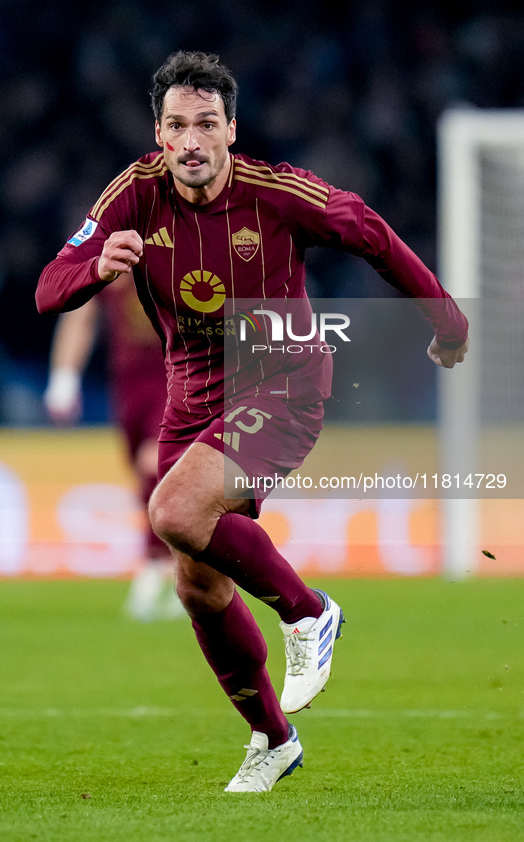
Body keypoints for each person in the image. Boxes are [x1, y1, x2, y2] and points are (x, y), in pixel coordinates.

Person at [36, 51, 469, 792]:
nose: (193, 139)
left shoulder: (277, 194)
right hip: (191, 395)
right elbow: (50, 290)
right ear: (159, 134)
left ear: (231, 129)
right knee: (197, 589)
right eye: (178, 125)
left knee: (171, 508)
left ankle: (309, 613)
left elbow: (368, 231)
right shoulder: (134, 194)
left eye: (207, 123)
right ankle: (273, 740)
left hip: (282, 380)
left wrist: (447, 322)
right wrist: (95, 269)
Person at [43, 275, 182, 621]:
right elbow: (81, 313)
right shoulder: (114, 251)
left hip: (178, 374)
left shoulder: (186, 242)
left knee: (158, 466)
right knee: (143, 474)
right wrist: (64, 377)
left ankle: (159, 567)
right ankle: (188, 567)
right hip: (128, 382)